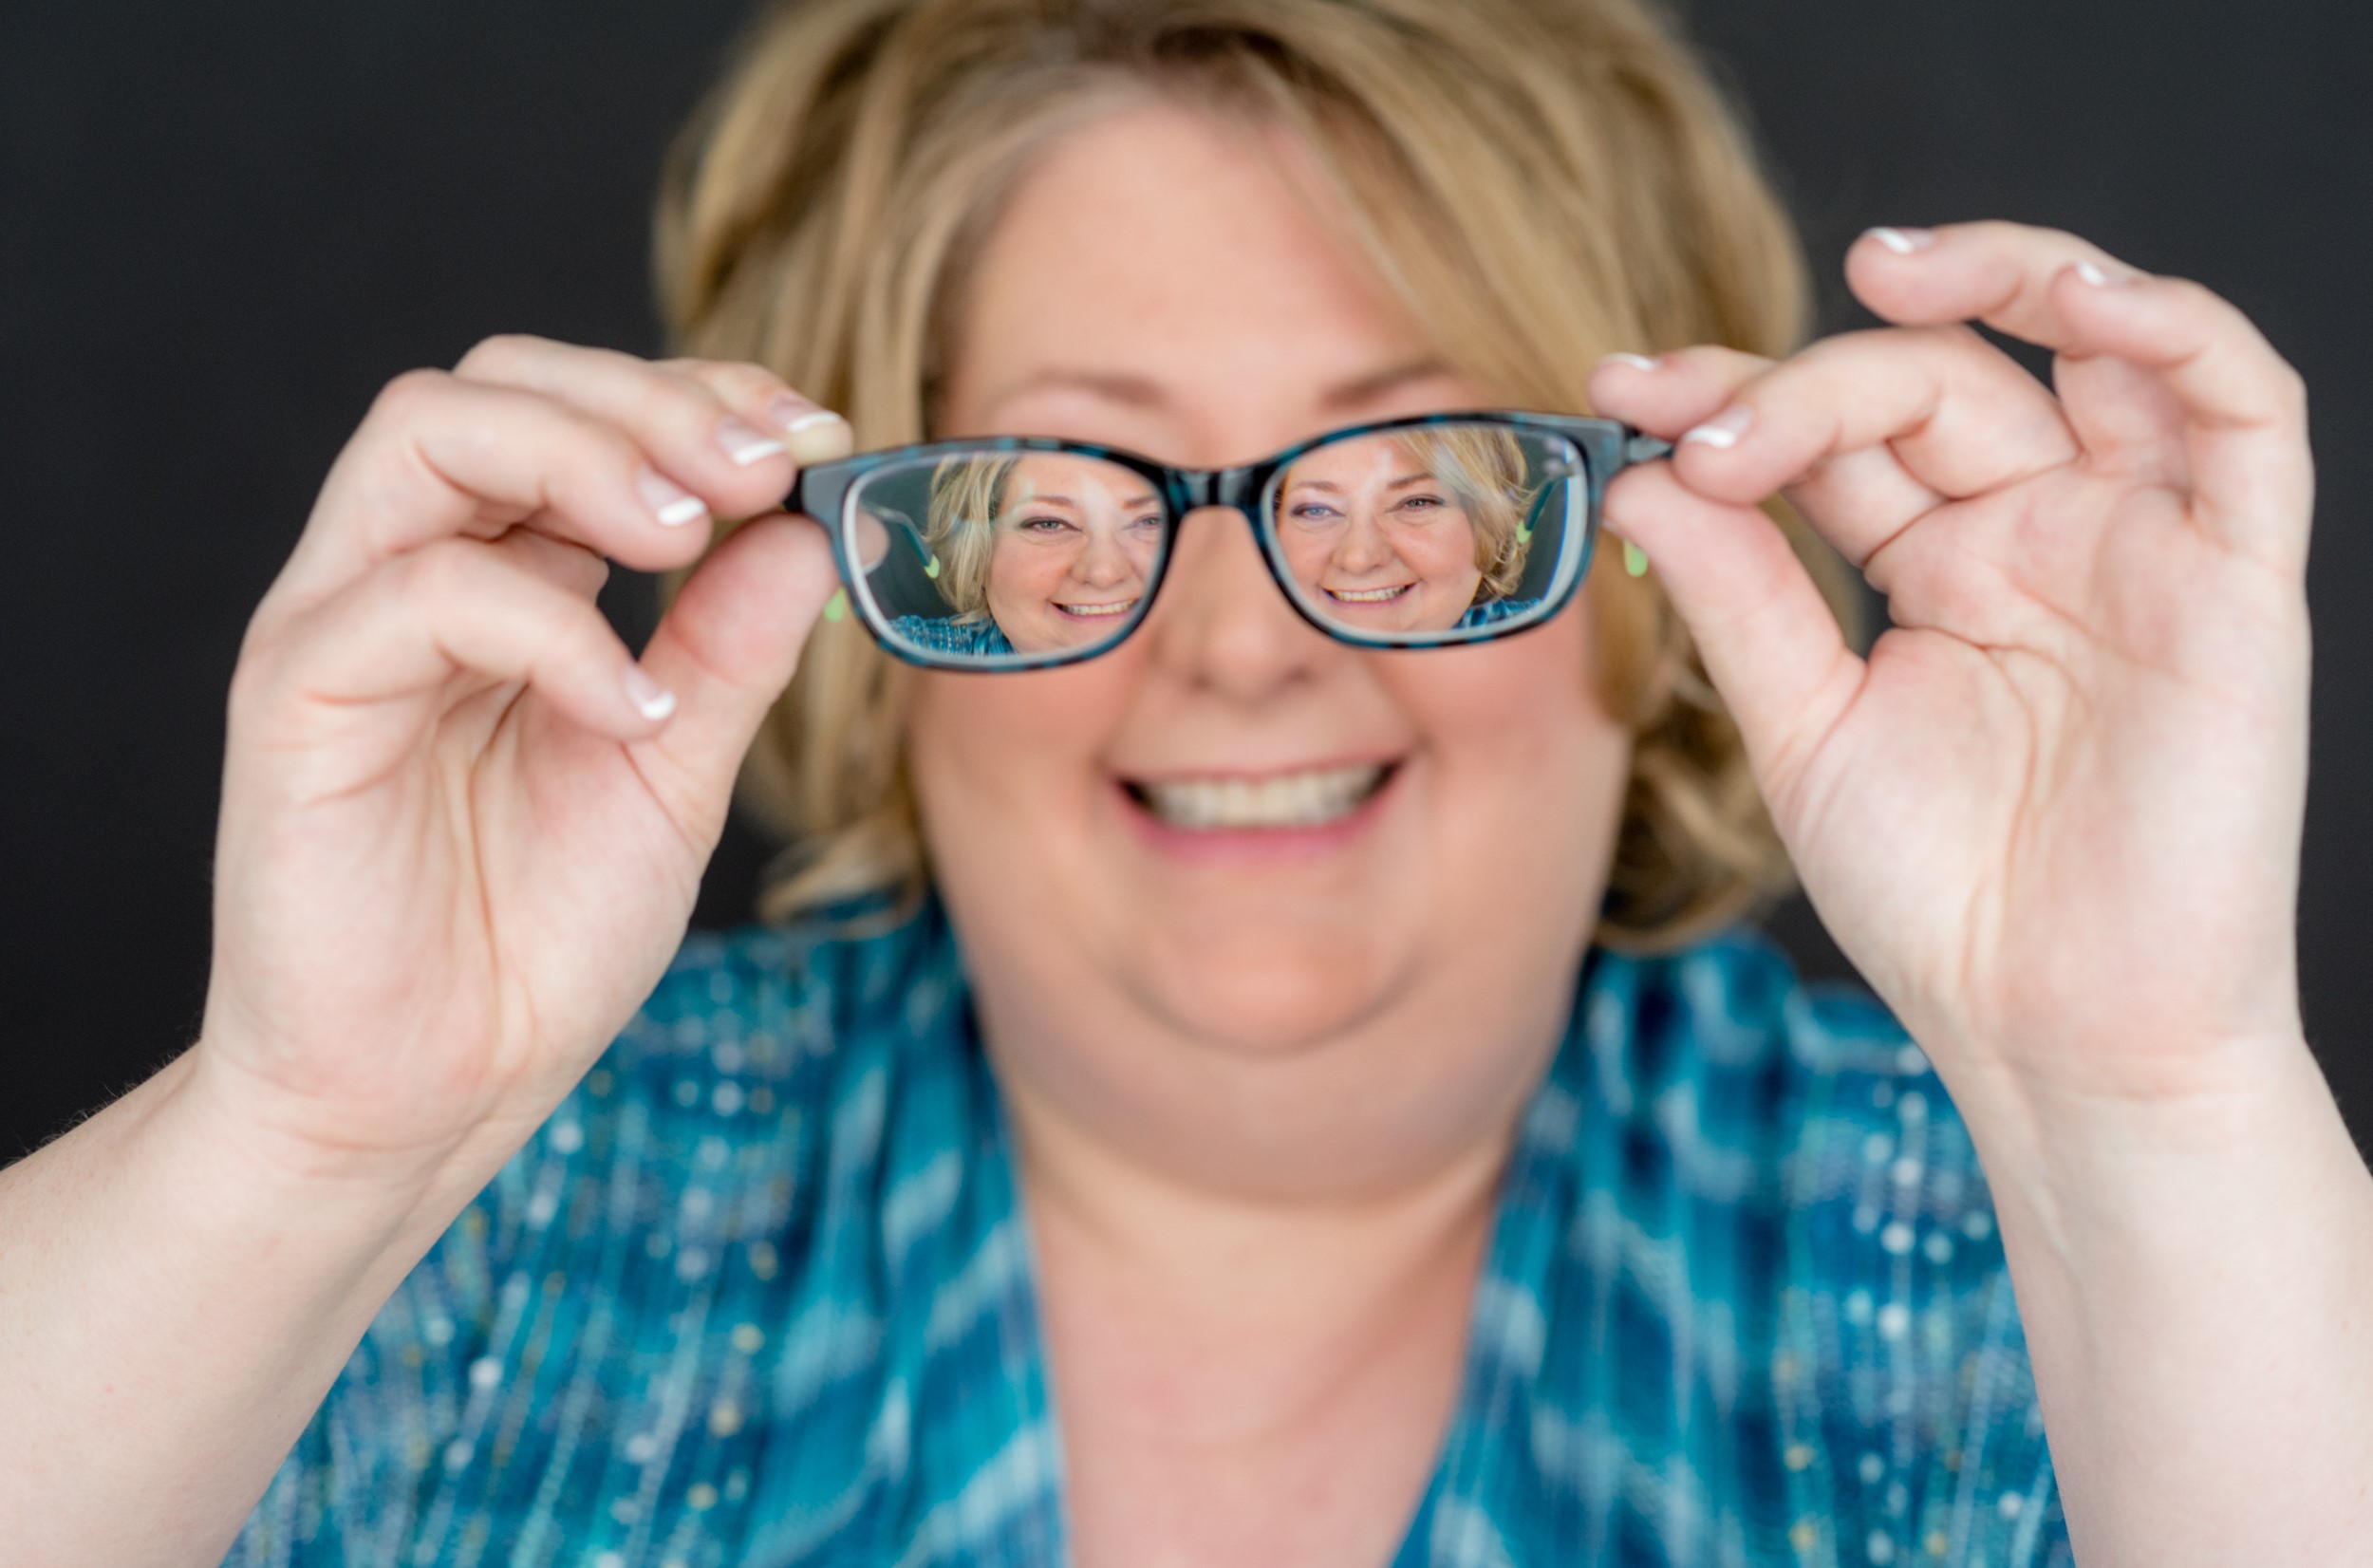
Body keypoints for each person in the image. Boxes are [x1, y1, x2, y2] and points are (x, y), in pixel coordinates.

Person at [4, 0, 2367, 1565]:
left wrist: (2152, 1114)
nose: (1244, 643)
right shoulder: (476, 1224)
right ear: (868, 592)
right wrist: (300, 1143)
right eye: (1063, 494)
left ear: (1665, 558)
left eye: (1416, 476)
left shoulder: (2005, 1254)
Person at [888, 451, 1165, 657]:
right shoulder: (905, 658)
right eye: (1049, 524)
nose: (1104, 572)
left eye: (1150, 520)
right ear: (979, 549)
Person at [1274, 426, 1542, 635]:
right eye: (1316, 509)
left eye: (1417, 503)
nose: (1359, 558)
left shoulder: (1552, 649)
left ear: (1490, 523)